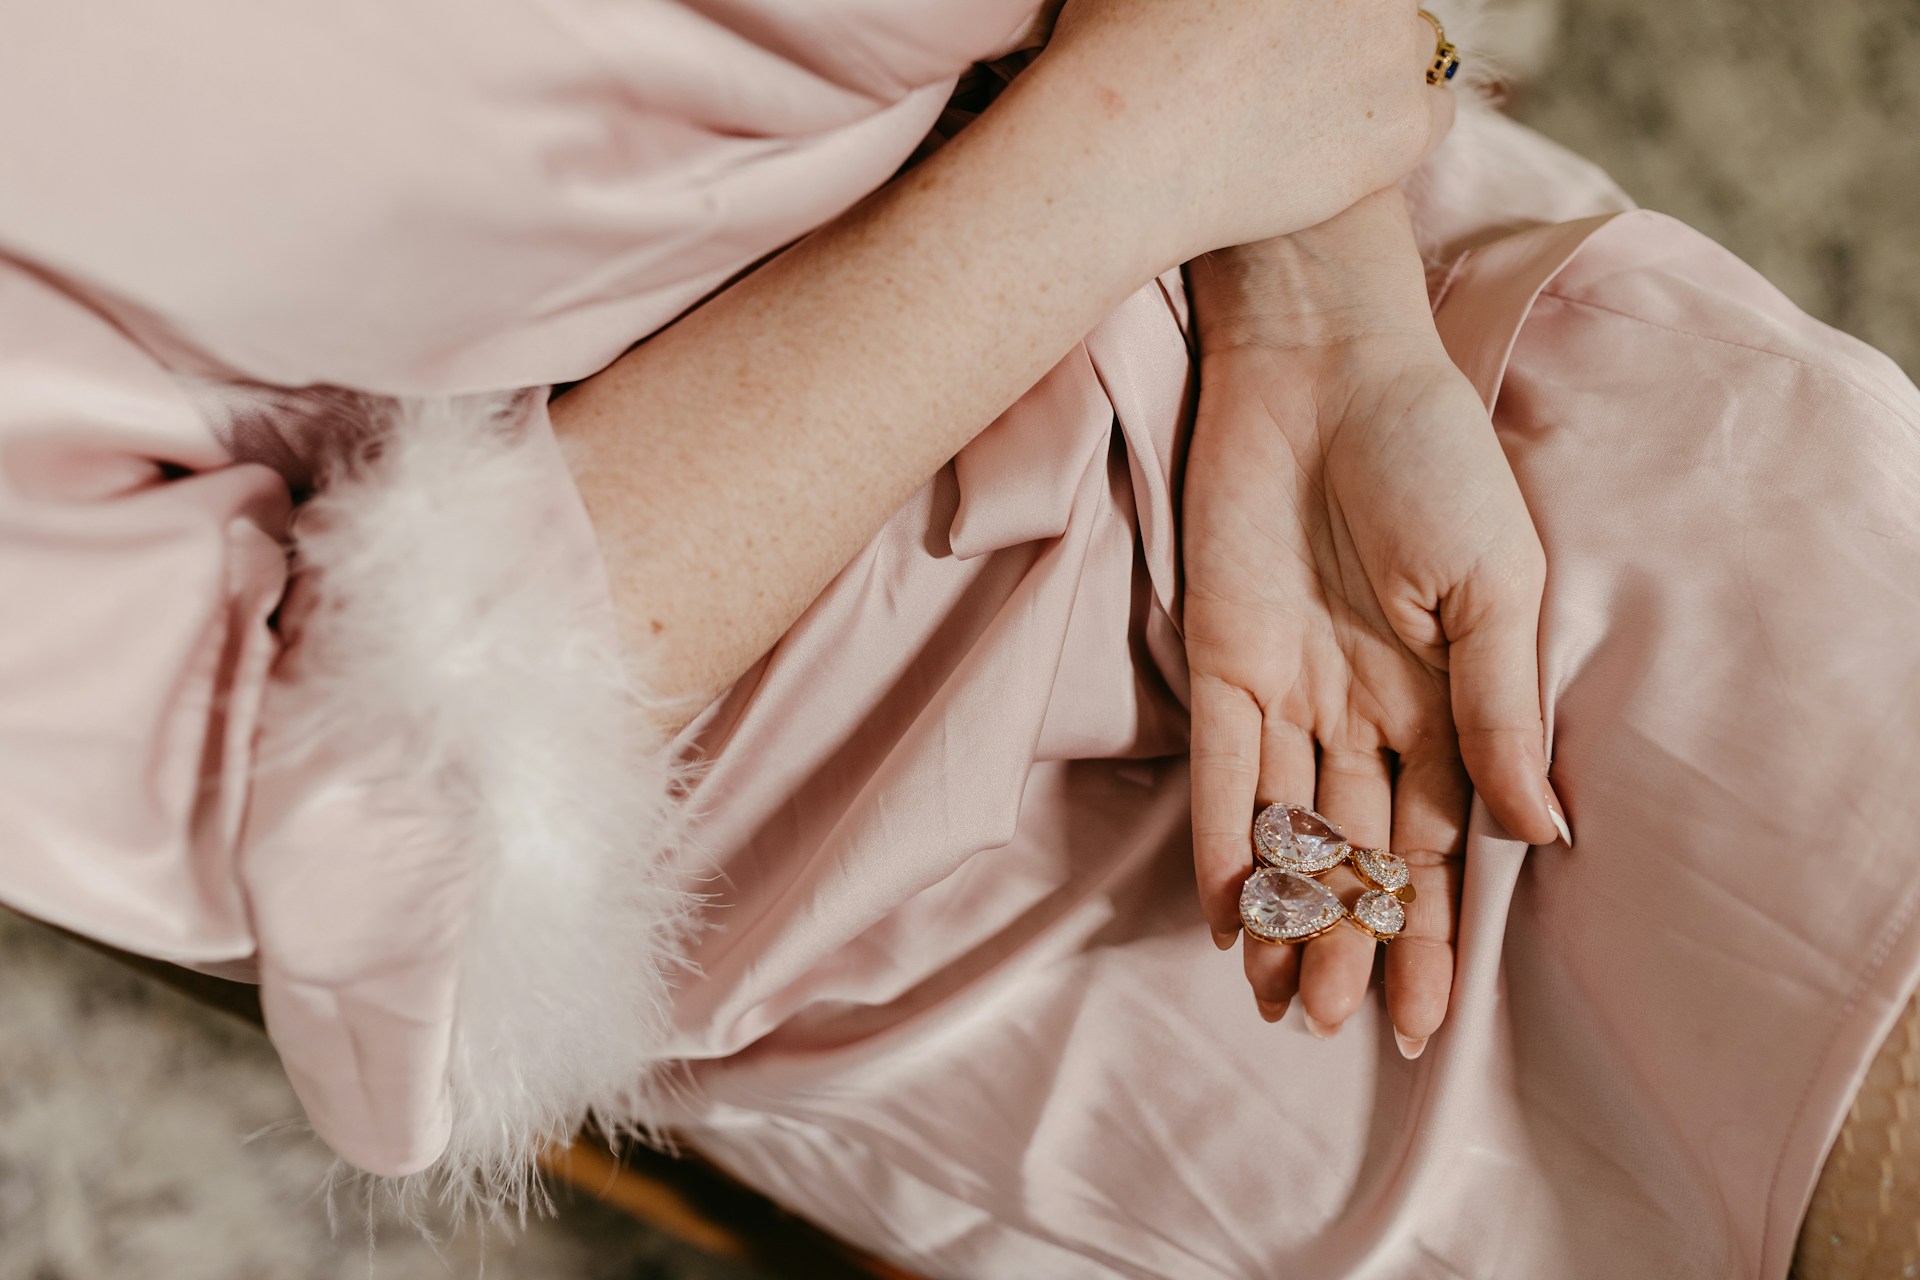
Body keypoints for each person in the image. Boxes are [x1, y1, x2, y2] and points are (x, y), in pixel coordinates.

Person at [0, 0, 1915, 1275]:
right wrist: (1107, 166)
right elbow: (352, 826)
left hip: (1405, 370)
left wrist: (1306, 286)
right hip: (907, 886)